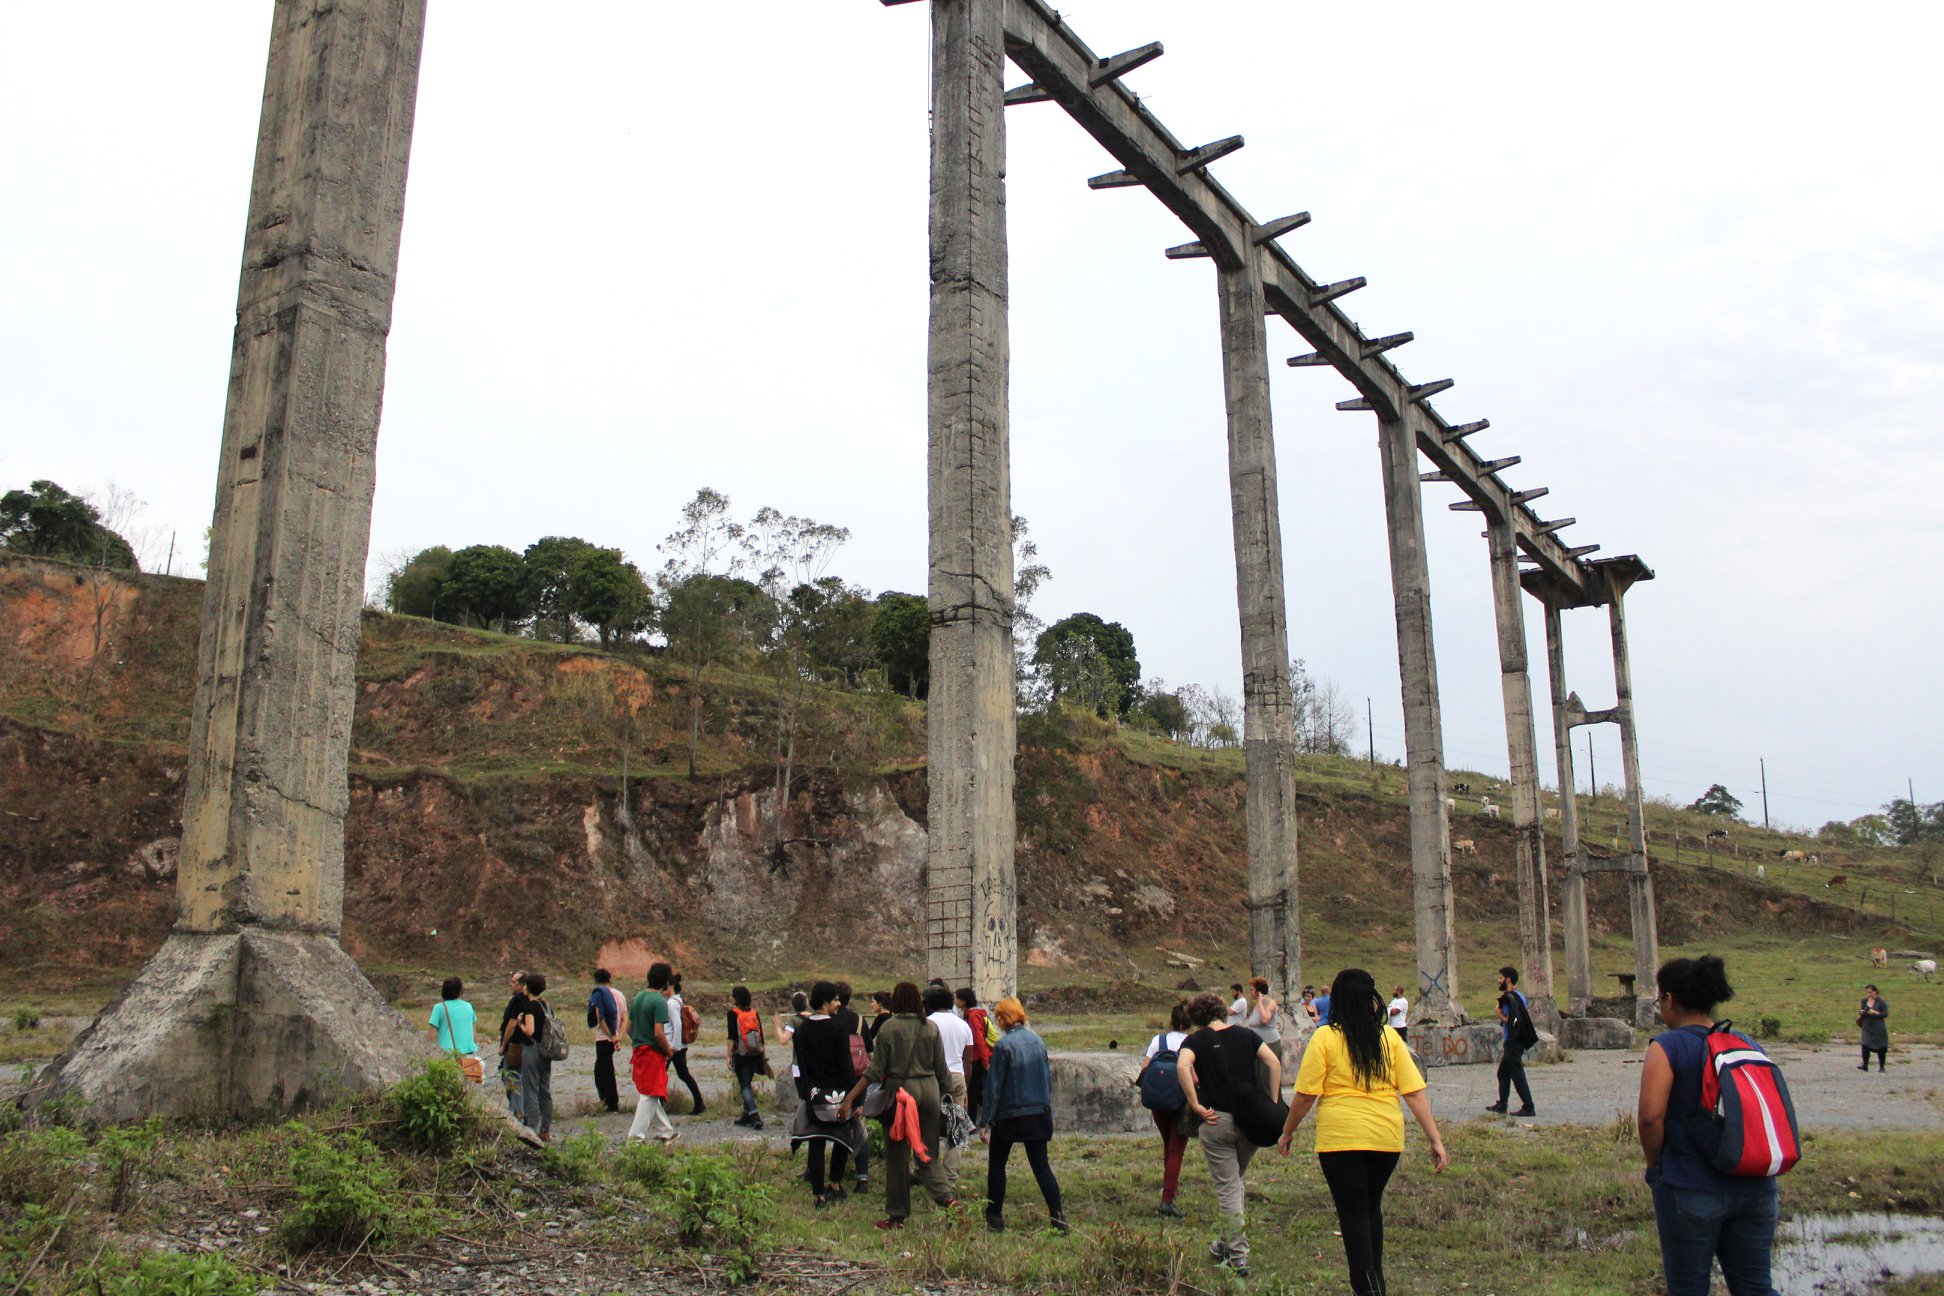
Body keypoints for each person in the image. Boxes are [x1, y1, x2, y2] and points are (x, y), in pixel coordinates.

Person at [1277, 968, 1448, 1296]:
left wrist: (1287, 1132)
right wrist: (1435, 1139)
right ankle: (1376, 1283)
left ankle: (1368, 1289)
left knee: (1353, 1215)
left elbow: (1305, 1095)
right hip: (1386, 1140)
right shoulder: (1389, 1038)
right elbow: (1413, 1092)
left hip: (1340, 1141)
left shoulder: (1325, 1038)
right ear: (1372, 999)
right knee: (1370, 1209)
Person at [1638, 955, 1781, 1296]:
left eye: (1661, 1000)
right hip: (1757, 1189)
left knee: (1688, 1289)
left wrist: (1654, 1165)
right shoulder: (1748, 1043)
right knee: (1757, 1288)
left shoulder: (1667, 1046)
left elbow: (1649, 1117)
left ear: (1670, 999)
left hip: (1690, 1187)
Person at [1178, 991, 1283, 1278]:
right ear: (1223, 1012)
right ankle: (1220, 1245)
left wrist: (1195, 1104)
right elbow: (1273, 1062)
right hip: (1250, 1118)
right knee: (1235, 1184)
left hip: (1216, 1120)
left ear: (1197, 1017)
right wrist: (1272, 1102)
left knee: (1228, 1187)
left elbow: (1183, 1066)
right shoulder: (1245, 1035)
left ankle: (1238, 1255)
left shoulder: (1195, 1041)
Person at [839, 981, 955, 1229]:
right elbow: (942, 1072)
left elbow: (874, 1071)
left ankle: (897, 1215)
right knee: (928, 1154)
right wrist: (950, 1099)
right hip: (930, 1091)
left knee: (897, 1156)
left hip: (902, 1096)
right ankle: (948, 1200)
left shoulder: (889, 1029)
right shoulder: (931, 1028)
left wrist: (850, 1098)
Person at [978, 996, 1066, 1233]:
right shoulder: (1038, 1042)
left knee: (997, 1166)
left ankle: (994, 1218)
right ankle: (1058, 1217)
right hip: (1038, 1112)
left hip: (1009, 1115)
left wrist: (985, 1121)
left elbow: (993, 1087)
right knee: (1041, 1166)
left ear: (1002, 1019)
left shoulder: (1003, 1046)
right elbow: (1047, 1080)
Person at [789, 981, 864, 1207]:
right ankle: (835, 1184)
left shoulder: (802, 1030)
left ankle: (818, 1194)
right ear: (825, 1002)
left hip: (814, 1094)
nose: (839, 1004)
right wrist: (856, 1097)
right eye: (835, 1000)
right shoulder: (838, 1028)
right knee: (841, 1139)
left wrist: (806, 1093)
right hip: (839, 1095)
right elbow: (846, 1067)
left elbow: (801, 1067)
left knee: (816, 1142)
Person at [1137, 999, 1192, 1218]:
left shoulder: (1157, 1040)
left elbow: (1145, 1068)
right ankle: (1167, 1199)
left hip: (1158, 1101)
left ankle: (1171, 1185)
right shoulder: (1192, 1042)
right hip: (1180, 1101)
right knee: (1176, 1149)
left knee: (1168, 1144)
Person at [926, 984, 976, 1194]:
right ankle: (951, 1180)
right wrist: (965, 1088)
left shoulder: (928, 1023)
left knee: (929, 1126)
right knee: (955, 1130)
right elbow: (968, 1061)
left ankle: (929, 1174)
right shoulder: (962, 1025)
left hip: (934, 1077)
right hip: (958, 1078)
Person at [627, 963, 678, 1144]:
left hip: (638, 1050)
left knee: (649, 1091)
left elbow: (628, 1027)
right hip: (652, 1053)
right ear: (665, 981)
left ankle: (666, 1130)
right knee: (650, 1094)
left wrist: (638, 1039)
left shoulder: (638, 997)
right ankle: (635, 1138)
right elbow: (658, 1033)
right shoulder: (658, 1002)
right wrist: (668, 1051)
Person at [834, 983, 870, 1192]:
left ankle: (822, 1174)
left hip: (834, 1081)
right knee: (858, 1128)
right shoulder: (859, 1020)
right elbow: (868, 1052)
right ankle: (862, 1177)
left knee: (826, 1127)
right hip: (857, 1080)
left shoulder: (830, 1019)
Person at [1487, 965, 1536, 1116]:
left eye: (1501, 978)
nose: (1498, 981)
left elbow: (1513, 1020)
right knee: (1503, 1073)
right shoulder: (1520, 996)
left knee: (1517, 1074)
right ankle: (1502, 1104)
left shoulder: (1509, 998)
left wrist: (1499, 1015)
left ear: (1508, 980)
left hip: (1513, 1040)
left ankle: (1528, 1107)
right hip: (1518, 1040)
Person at [515, 973, 555, 1143]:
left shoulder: (531, 1006)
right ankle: (545, 1130)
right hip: (546, 1051)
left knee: (530, 1089)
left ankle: (531, 1129)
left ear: (529, 987)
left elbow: (530, 1031)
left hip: (533, 1050)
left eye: (525, 985)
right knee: (545, 1090)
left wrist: (520, 1023)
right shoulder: (546, 1005)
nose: (523, 987)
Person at [586, 968, 629, 1114]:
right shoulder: (620, 995)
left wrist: (611, 1037)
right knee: (600, 1068)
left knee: (605, 1071)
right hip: (614, 1036)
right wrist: (619, 1037)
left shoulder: (599, 995)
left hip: (604, 1037)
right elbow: (624, 1018)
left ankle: (611, 1103)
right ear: (609, 979)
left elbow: (600, 1019)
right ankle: (605, 1099)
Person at [726, 985, 768, 1130]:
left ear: (736, 999)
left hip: (741, 1054)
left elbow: (731, 1037)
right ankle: (746, 1115)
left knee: (744, 1085)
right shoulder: (754, 1013)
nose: (730, 998)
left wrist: (728, 1056)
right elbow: (761, 1035)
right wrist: (763, 1054)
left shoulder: (732, 1014)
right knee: (747, 1083)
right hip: (755, 1053)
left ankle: (755, 1116)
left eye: (732, 996)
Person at [428, 977, 481, 1083]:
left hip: (446, 1055)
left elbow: (431, 1036)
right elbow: (474, 1034)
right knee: (465, 1088)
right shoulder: (469, 1007)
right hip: (467, 1055)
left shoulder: (439, 1008)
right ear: (460, 990)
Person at [667, 972, 706, 1115]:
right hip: (680, 1045)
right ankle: (699, 1103)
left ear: (670, 986)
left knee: (660, 1075)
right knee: (684, 1074)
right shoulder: (678, 1000)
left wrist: (673, 1048)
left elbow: (677, 1025)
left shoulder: (671, 1003)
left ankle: (658, 1104)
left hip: (672, 1046)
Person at [496, 970, 530, 1117]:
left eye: (514, 982)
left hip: (514, 1046)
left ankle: (517, 1113)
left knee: (512, 1078)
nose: (511, 984)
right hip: (527, 1046)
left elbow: (511, 1023)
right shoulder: (532, 999)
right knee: (519, 1079)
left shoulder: (517, 1000)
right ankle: (520, 1111)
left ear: (522, 985)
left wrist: (503, 1045)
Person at [956, 987, 993, 1123]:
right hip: (977, 1058)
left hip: (976, 1059)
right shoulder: (976, 1013)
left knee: (973, 1091)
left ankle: (972, 1121)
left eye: (957, 998)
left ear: (963, 1001)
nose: (955, 1001)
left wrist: (985, 1061)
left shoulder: (972, 1016)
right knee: (977, 1091)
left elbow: (979, 1040)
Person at [781, 989, 812, 1103]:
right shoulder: (814, 1018)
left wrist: (777, 1027)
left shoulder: (793, 1020)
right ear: (807, 1004)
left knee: (802, 1095)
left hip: (798, 1063)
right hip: (815, 1062)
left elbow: (784, 1040)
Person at [1858, 984, 1890, 1071]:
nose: (1868, 994)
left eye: (1870, 992)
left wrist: (1875, 1013)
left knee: (1881, 1047)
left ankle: (1882, 1067)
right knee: (1865, 1044)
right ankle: (1865, 1065)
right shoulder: (1864, 1001)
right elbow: (1861, 1010)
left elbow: (1885, 1014)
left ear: (1875, 992)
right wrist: (1862, 1012)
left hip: (1878, 1027)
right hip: (1867, 1026)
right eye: (1867, 992)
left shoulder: (1881, 1002)